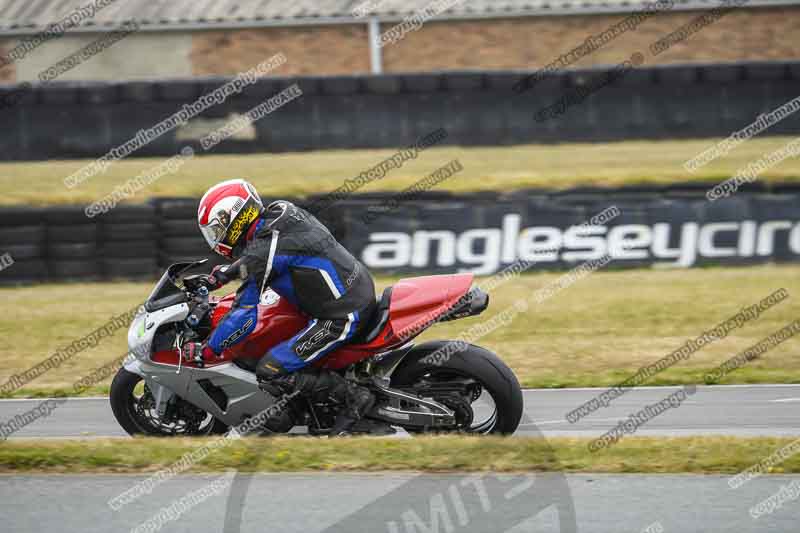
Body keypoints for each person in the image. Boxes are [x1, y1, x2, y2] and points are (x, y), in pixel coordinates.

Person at [184, 179, 390, 436]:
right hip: (352, 288)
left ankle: (355, 397)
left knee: (271, 369)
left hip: (341, 315)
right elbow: (259, 256)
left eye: (217, 230)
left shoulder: (262, 253)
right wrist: (221, 276)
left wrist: (208, 350)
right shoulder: (280, 212)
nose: (216, 239)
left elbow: (244, 316)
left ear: (235, 220)